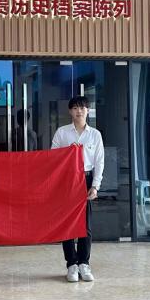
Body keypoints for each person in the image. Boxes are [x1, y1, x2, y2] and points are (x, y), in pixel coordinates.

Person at [51, 96, 105, 283]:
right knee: (67, 224)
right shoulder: (62, 132)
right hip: (67, 180)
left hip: (86, 178)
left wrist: (95, 186)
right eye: (75, 108)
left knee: (85, 225)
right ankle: (71, 264)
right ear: (70, 111)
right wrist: (68, 152)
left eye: (82, 108)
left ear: (88, 110)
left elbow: (99, 162)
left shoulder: (95, 134)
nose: (79, 111)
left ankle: (84, 263)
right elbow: (52, 157)